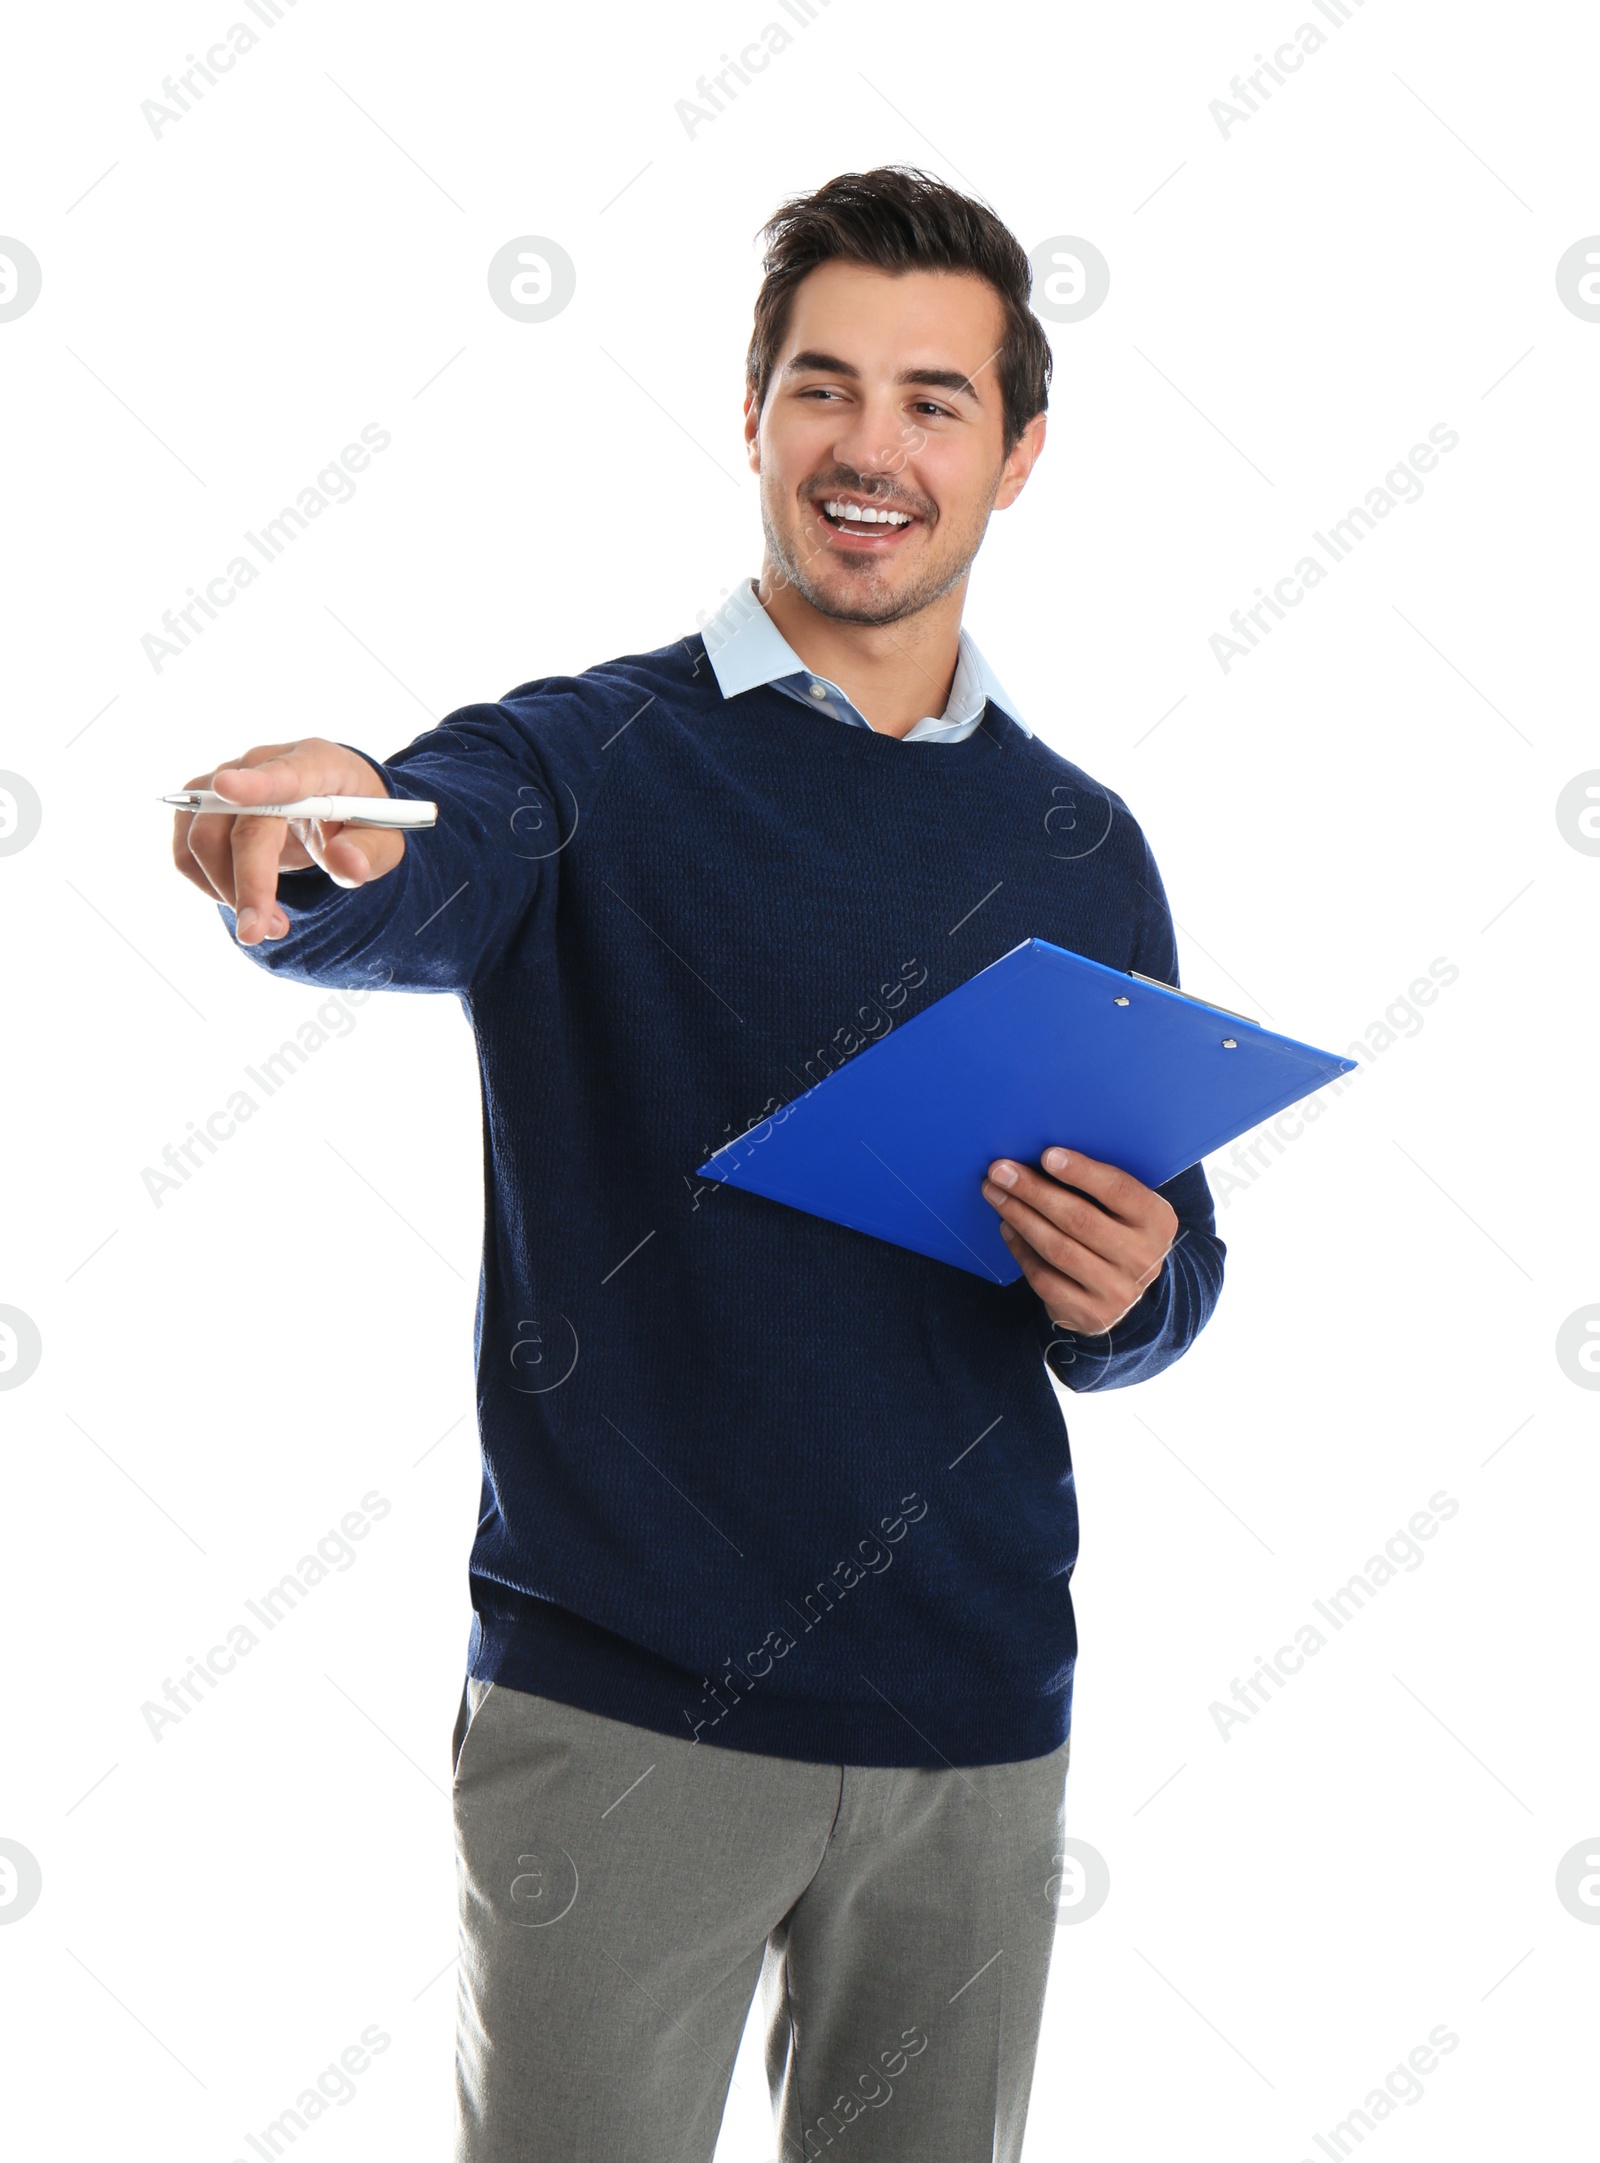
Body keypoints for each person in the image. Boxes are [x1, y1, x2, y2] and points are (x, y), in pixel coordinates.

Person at [170, 165, 1225, 2163]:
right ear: (752, 419)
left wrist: (1135, 1280)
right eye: (822, 387)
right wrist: (321, 840)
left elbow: (1163, 1276)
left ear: (1014, 457)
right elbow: (422, 852)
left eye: (931, 400)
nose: (867, 447)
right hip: (622, 1721)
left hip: (970, 1725)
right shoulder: (581, 763)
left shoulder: (1083, 848)